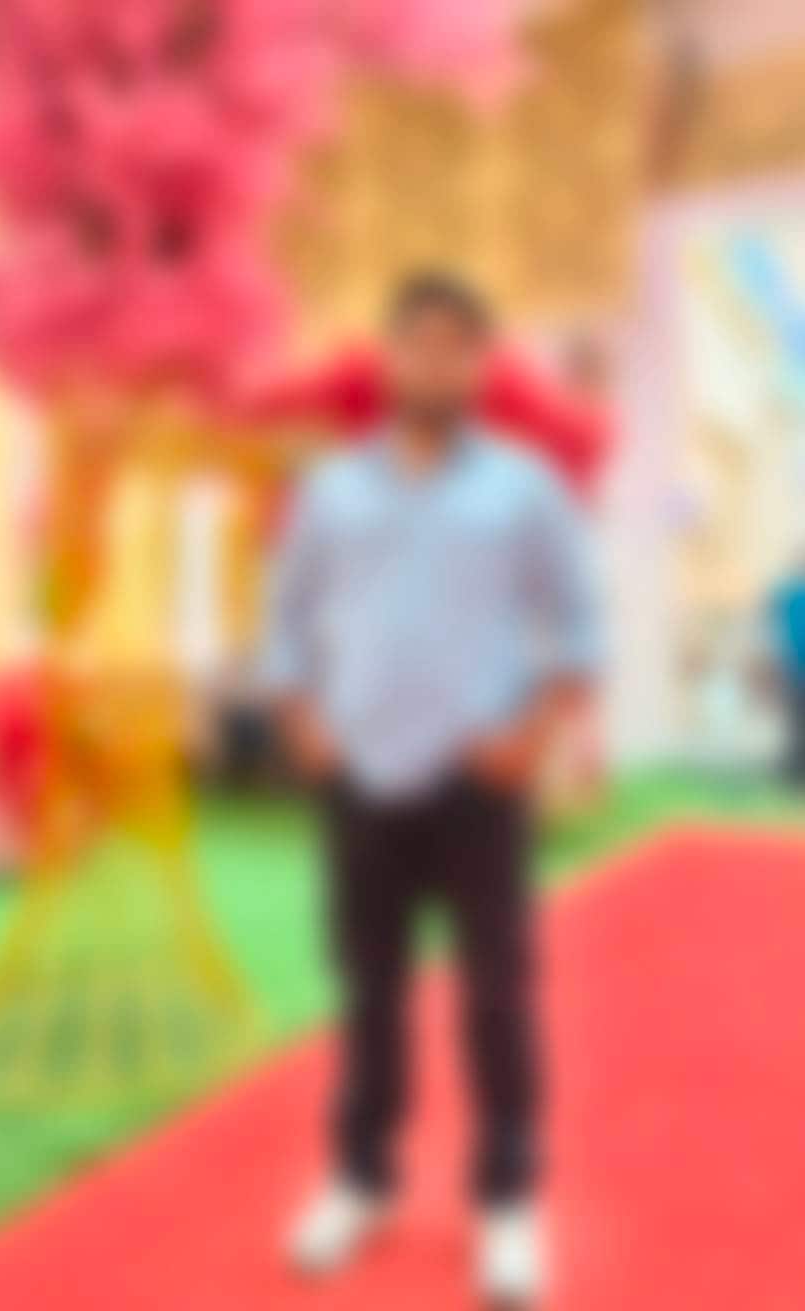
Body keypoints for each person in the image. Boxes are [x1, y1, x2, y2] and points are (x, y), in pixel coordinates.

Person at [263, 271, 602, 1306]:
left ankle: (506, 1203)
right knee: (368, 994)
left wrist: (531, 737)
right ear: (390, 356)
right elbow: (284, 622)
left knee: (496, 998)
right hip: (360, 779)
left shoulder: (524, 488)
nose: (436, 362)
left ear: (479, 365)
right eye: (419, 342)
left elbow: (581, 625)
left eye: (459, 345)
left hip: (476, 784)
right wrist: (304, 725)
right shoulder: (329, 491)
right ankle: (360, 1181)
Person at [769, 554, 805, 784]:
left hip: (792, 670)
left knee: (796, 722)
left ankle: (794, 768)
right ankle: (794, 769)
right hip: (794, 670)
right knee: (796, 722)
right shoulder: (792, 596)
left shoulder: (789, 596)